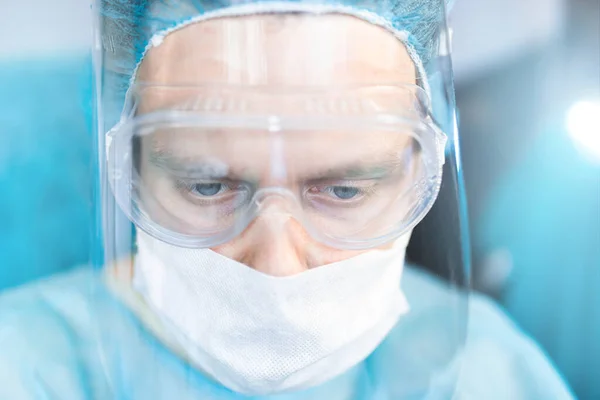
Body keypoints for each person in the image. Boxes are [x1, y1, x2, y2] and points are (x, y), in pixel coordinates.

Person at [0, 1, 574, 398]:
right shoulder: (27, 370)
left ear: (417, 169)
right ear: (132, 167)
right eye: (207, 186)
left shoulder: (490, 372)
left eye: (344, 190)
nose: (277, 271)